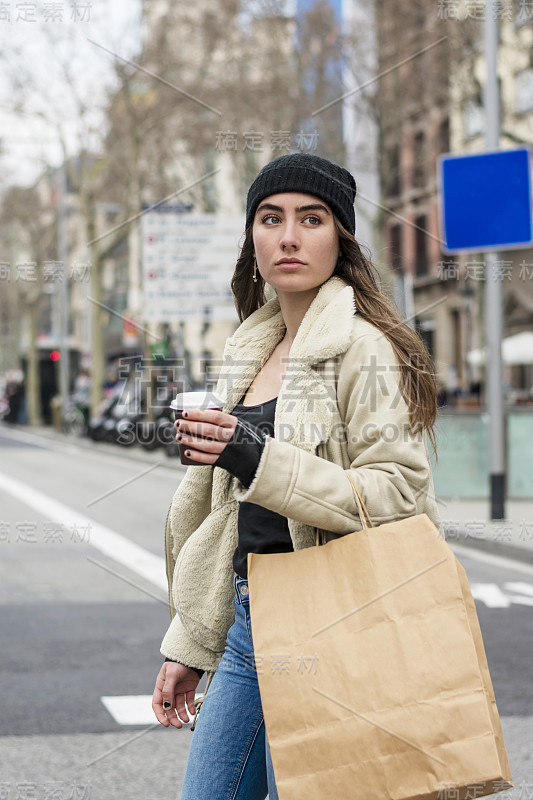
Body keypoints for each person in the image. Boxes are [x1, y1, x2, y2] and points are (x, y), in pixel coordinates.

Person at [151, 153, 440, 800]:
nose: (287, 236)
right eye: (269, 218)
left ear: (339, 239)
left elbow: (395, 491)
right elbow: (234, 523)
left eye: (310, 219)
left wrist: (257, 457)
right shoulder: (247, 349)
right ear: (250, 240)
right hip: (253, 619)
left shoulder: (364, 346)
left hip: (340, 618)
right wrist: (188, 648)